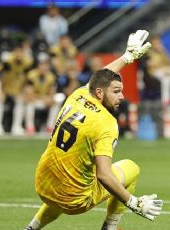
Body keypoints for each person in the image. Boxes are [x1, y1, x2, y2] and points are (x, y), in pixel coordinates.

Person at [24, 30, 162, 230]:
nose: (121, 97)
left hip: (42, 185)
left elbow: (99, 79)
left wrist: (127, 57)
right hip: (75, 200)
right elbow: (104, 175)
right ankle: (110, 227)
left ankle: (31, 228)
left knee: (63, 179)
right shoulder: (106, 123)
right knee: (131, 168)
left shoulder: (78, 95)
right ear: (100, 93)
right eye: (116, 92)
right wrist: (135, 203)